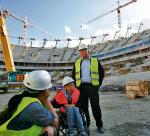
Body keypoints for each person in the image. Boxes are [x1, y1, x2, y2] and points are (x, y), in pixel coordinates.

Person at [0, 70, 58, 136]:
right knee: (52, 130)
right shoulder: (34, 107)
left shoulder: (22, 98)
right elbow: (55, 122)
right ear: (45, 90)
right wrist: (46, 99)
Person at [72, 44, 105, 134]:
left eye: (84, 50)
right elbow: (74, 75)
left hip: (92, 87)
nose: (83, 52)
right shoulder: (77, 62)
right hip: (81, 88)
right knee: (84, 108)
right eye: (81, 51)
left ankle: (99, 125)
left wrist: (98, 84)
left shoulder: (94, 60)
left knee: (95, 107)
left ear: (87, 51)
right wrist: (76, 86)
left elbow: (102, 72)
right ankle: (86, 124)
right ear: (79, 53)